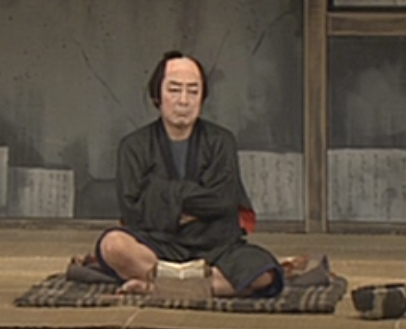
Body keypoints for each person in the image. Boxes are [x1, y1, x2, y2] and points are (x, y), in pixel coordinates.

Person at [93, 50, 282, 298]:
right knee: (113, 245)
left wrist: (162, 195)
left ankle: (158, 287)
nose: (184, 100)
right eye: (174, 90)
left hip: (214, 246)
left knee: (264, 274)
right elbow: (134, 211)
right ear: (157, 95)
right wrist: (194, 203)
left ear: (202, 97)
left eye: (193, 91)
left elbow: (222, 201)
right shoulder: (134, 146)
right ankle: (199, 287)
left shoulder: (221, 141)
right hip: (159, 244)